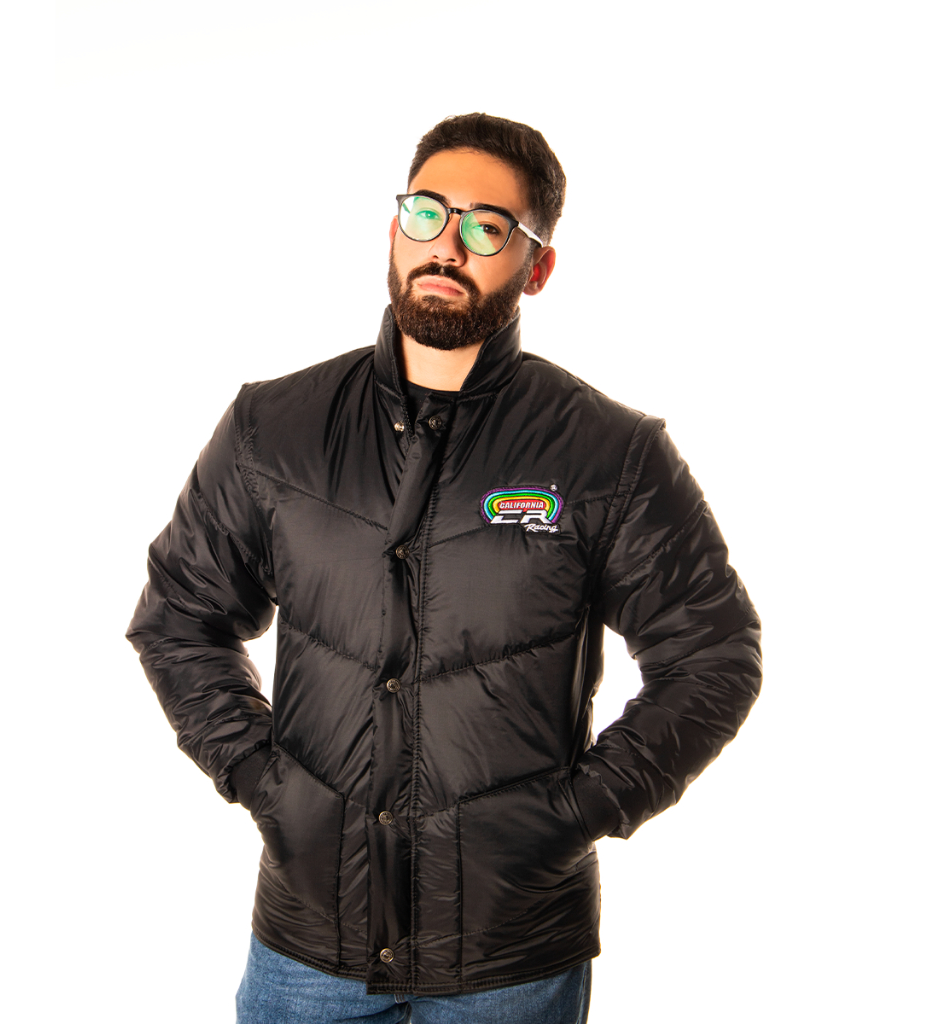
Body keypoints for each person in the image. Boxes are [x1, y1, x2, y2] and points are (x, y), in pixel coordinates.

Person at [127, 112, 762, 1024]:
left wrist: (572, 815)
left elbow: (714, 654)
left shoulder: (608, 454)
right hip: (308, 946)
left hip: (510, 956)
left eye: (486, 226)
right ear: (394, 228)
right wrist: (267, 786)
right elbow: (180, 616)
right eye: (427, 212)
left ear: (537, 266)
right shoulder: (276, 427)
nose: (447, 245)